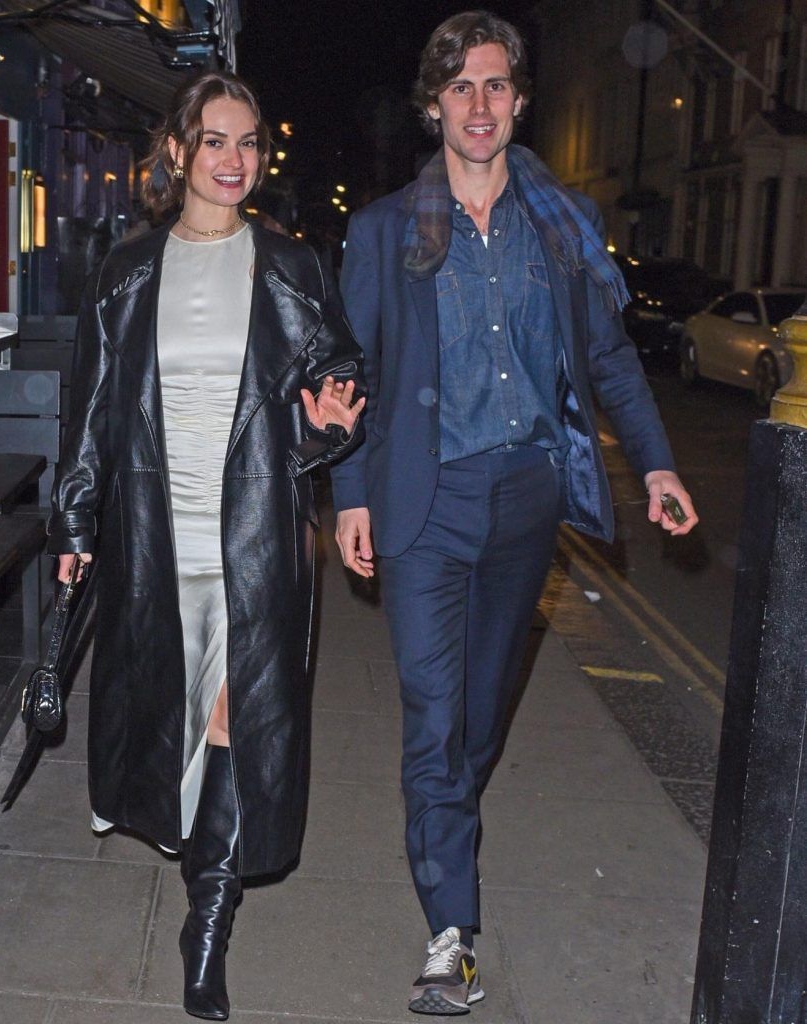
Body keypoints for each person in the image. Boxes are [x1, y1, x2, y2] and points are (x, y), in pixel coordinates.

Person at [331, 10, 698, 1017]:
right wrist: (349, 494)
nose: (479, 104)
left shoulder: (560, 224)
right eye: (461, 86)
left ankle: (444, 804)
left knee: (478, 713)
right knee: (433, 712)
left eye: (495, 84)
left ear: (519, 100)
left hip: (529, 495)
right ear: (434, 105)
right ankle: (451, 932)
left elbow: (608, 357)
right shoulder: (384, 230)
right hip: (425, 500)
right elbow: (351, 371)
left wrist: (657, 465)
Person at [46, 69, 365, 1021]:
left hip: (256, 537)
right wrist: (74, 521)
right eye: (216, 141)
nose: (235, 160)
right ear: (180, 150)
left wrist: (327, 426)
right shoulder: (128, 268)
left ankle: (208, 925)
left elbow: (338, 376)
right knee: (169, 718)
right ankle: (198, 872)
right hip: (151, 533)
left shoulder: (291, 265)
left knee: (235, 717)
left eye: (249, 142)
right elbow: (91, 410)